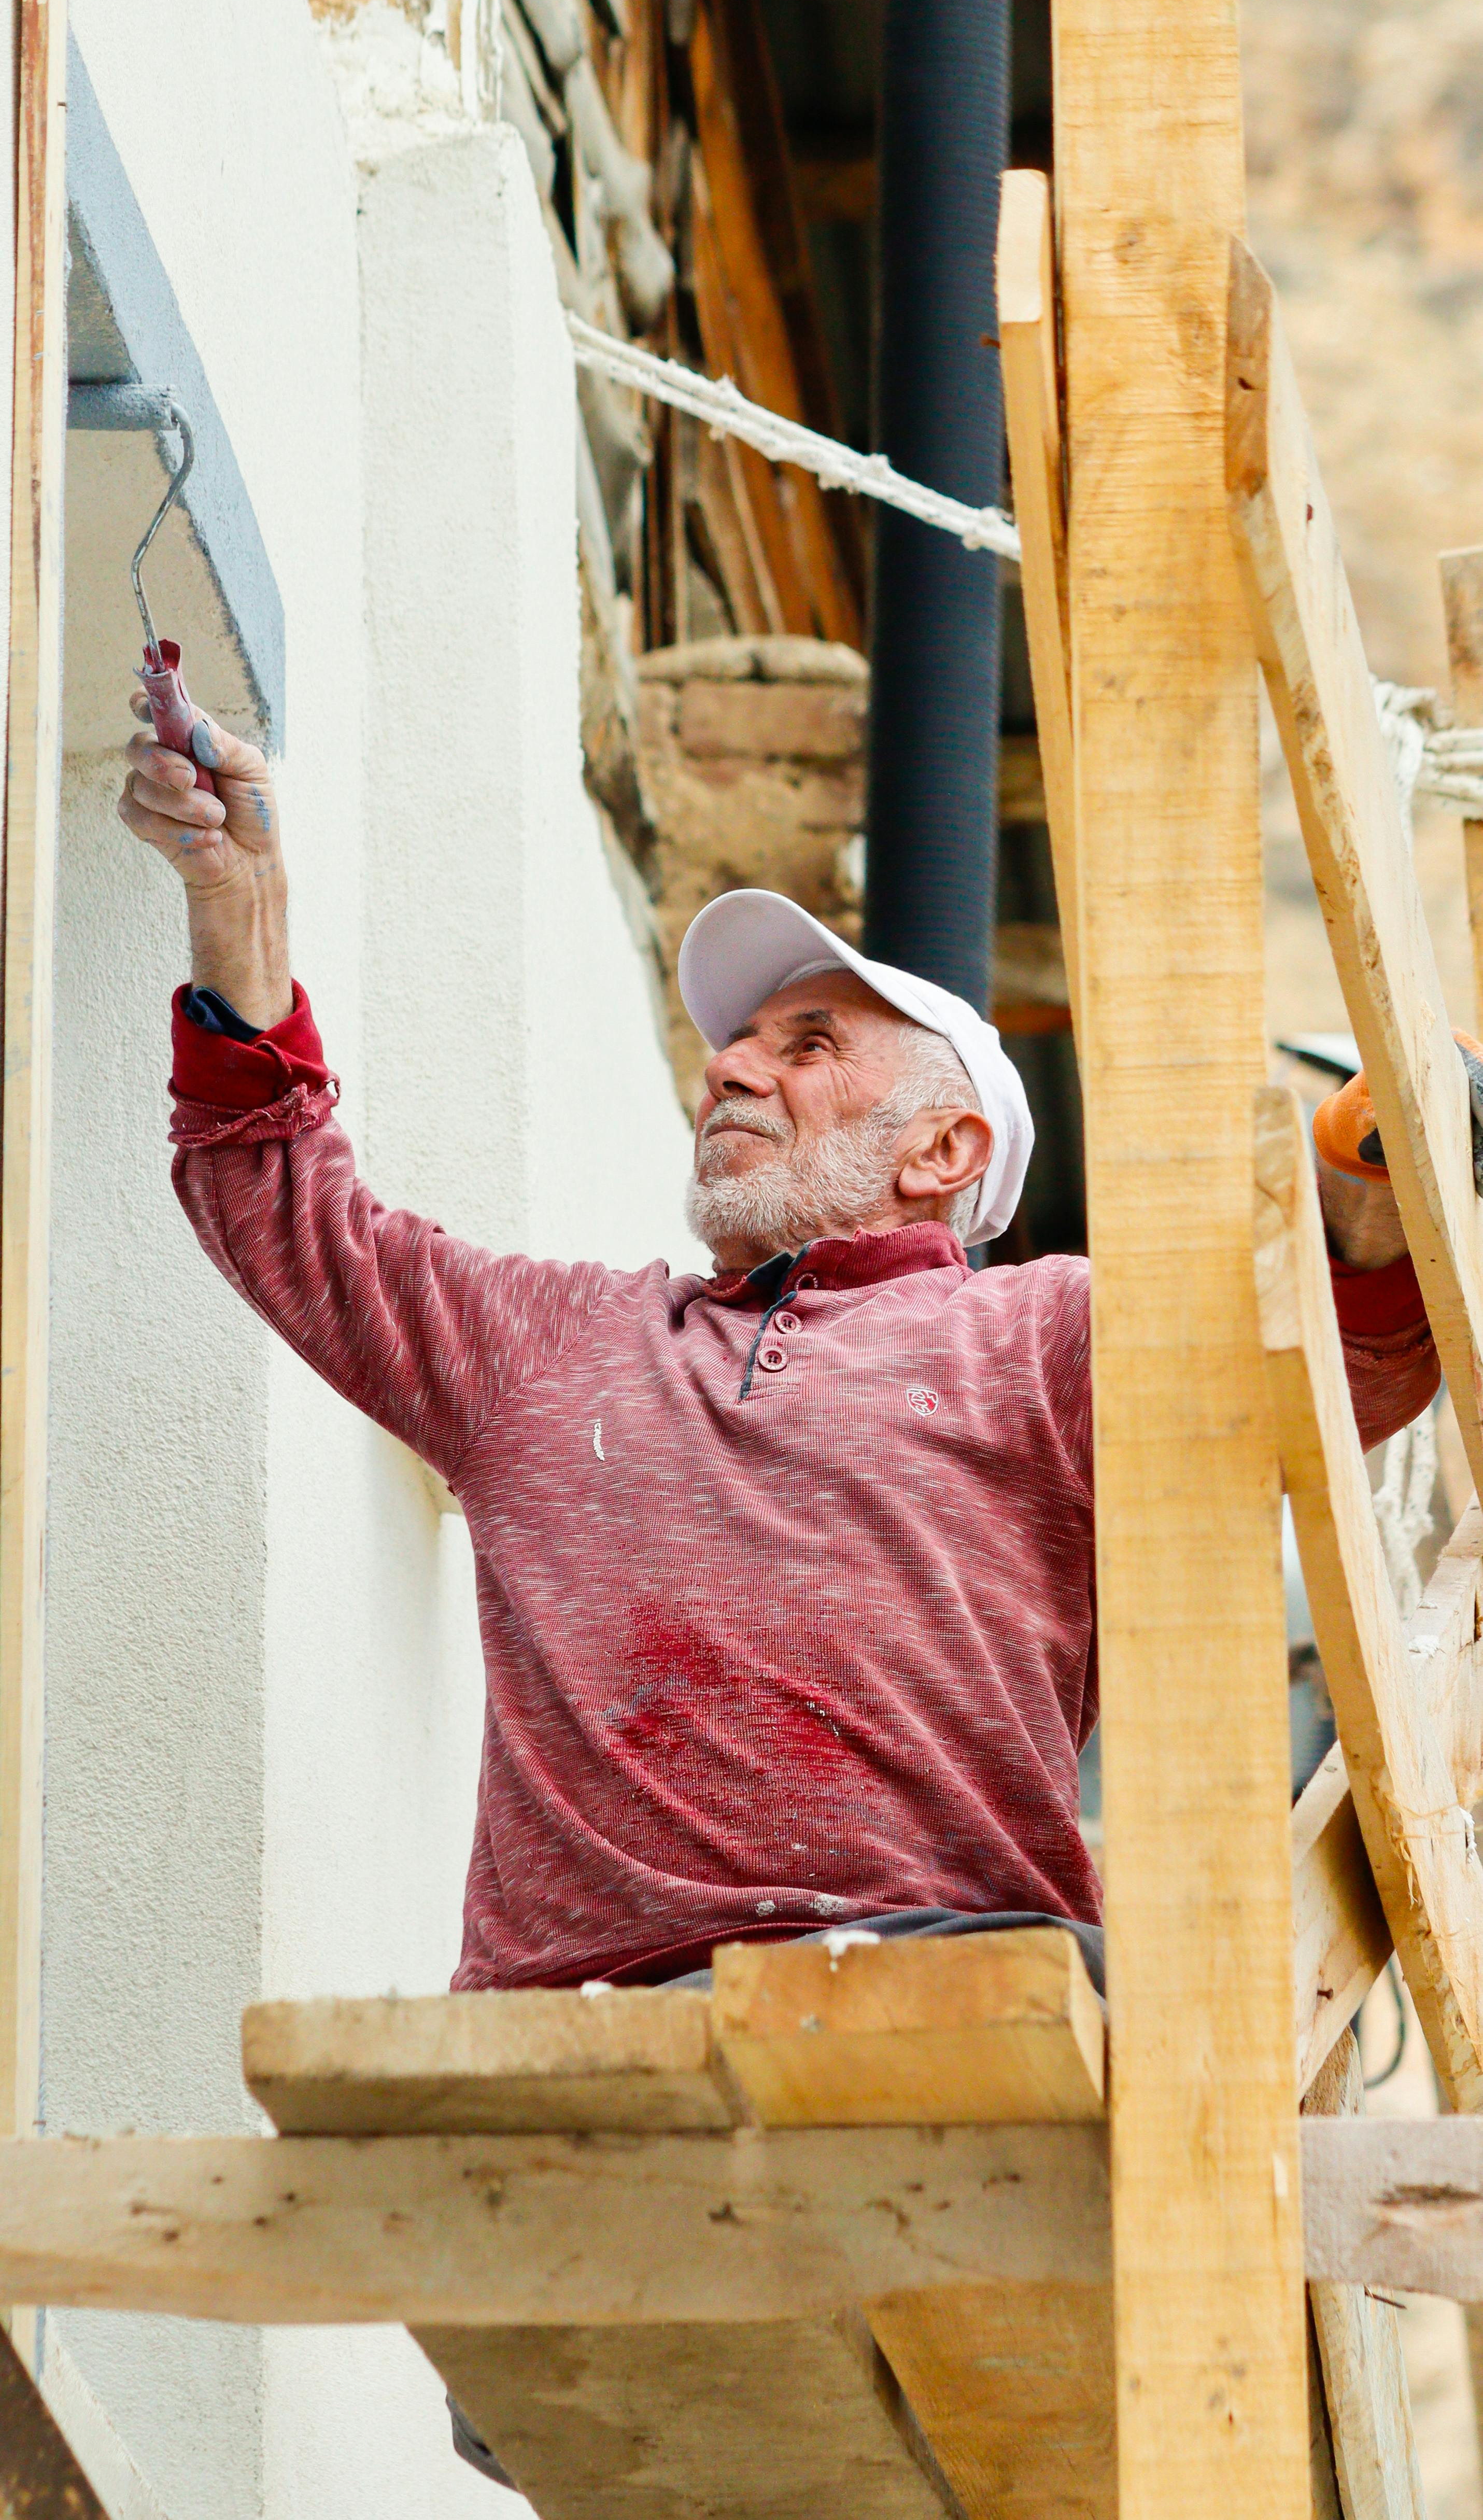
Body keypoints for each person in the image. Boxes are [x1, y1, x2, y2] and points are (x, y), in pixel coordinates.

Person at [120, 696, 1440, 2006]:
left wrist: (1366, 1166)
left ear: (944, 1152)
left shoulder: (1048, 1334)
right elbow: (281, 1205)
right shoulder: (557, 1342)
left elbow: (1334, 1366)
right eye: (735, 1045)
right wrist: (240, 905)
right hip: (583, 2020)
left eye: (808, 1049)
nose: (734, 1071)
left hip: (943, 1993)